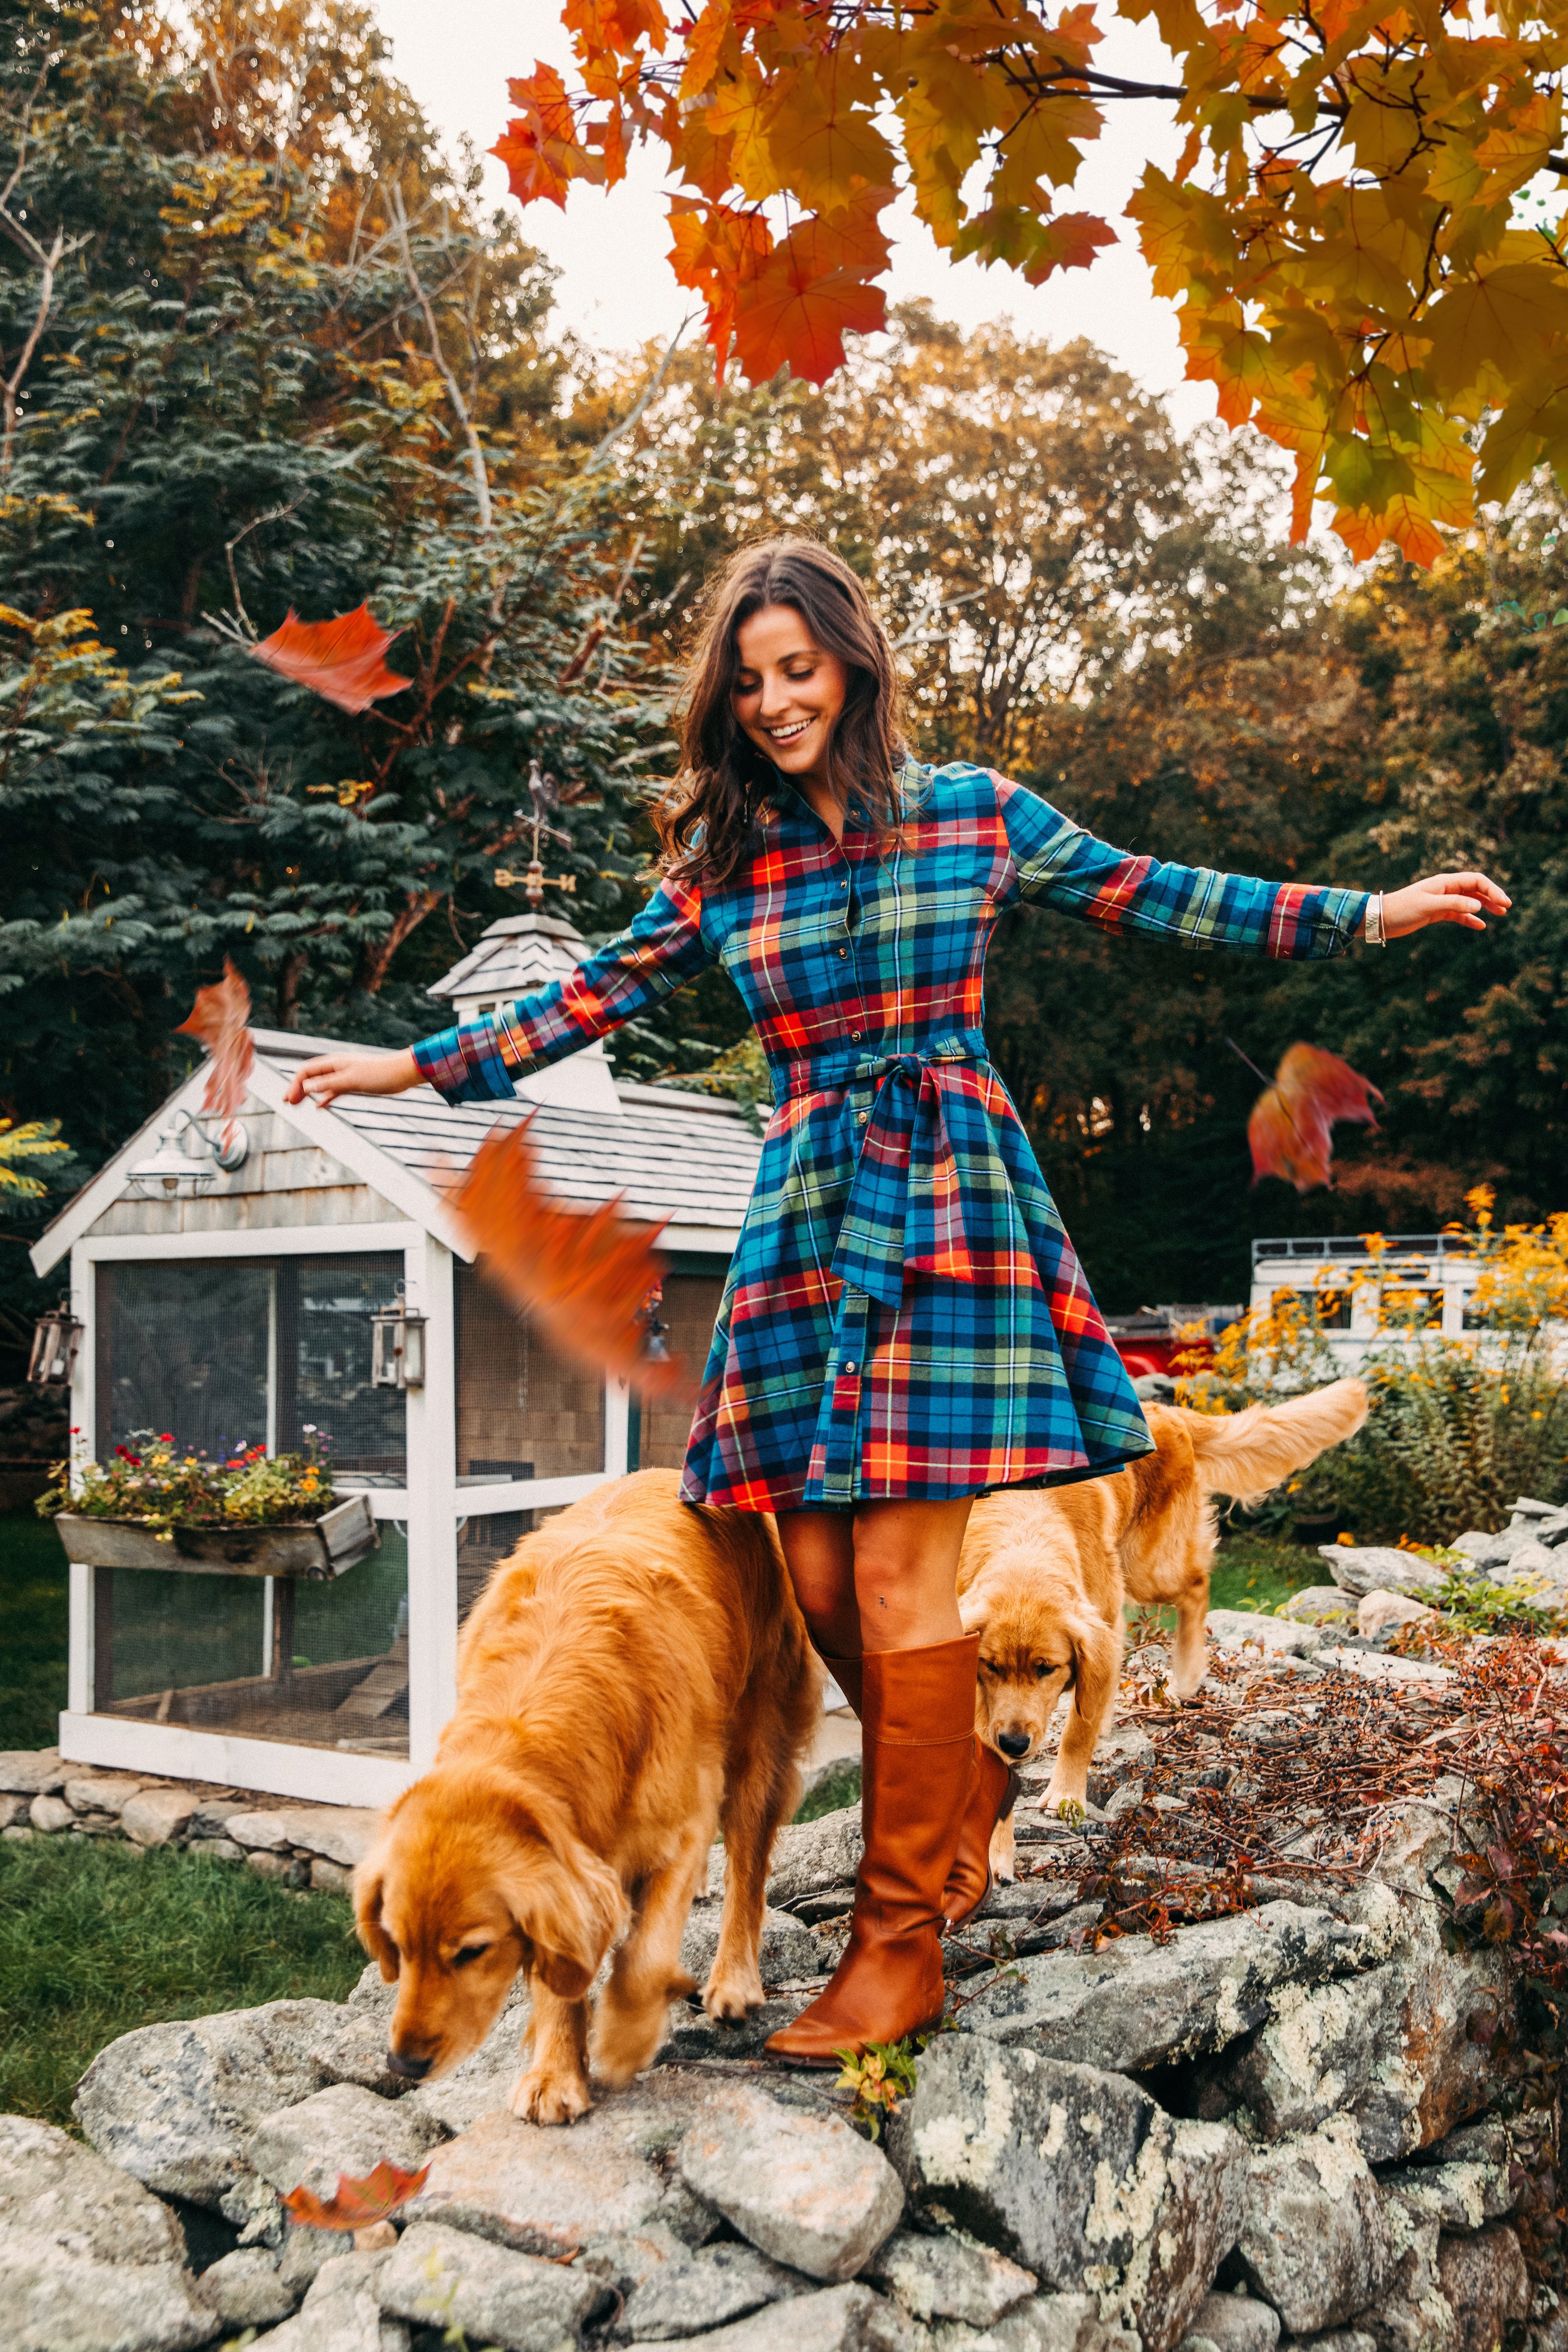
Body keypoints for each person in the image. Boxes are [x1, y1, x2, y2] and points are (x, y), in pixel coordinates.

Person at [286, 536, 1510, 2065]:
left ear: (852, 667)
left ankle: (897, 1946)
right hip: (804, 1226)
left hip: (946, 1212)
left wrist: (1366, 916)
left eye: (797, 670)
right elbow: (581, 999)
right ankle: (964, 1791)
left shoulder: (974, 814)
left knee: (895, 1592)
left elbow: (1160, 894)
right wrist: (412, 1066)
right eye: (746, 683)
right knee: (810, 1585)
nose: (775, 702)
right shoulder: (728, 872)